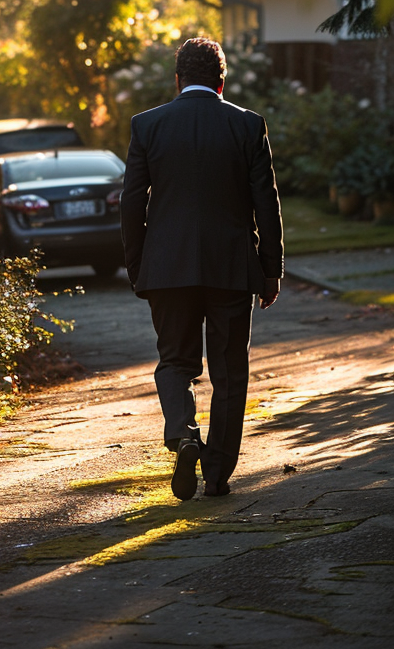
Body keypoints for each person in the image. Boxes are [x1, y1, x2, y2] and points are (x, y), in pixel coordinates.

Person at [120, 37, 283, 500]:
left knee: (175, 362)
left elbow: (132, 203)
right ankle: (216, 474)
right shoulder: (247, 126)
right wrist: (270, 269)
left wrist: (138, 265)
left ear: (178, 80)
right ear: (221, 81)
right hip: (231, 267)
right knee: (230, 371)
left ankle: (183, 434)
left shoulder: (147, 125)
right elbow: (265, 203)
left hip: (167, 268)